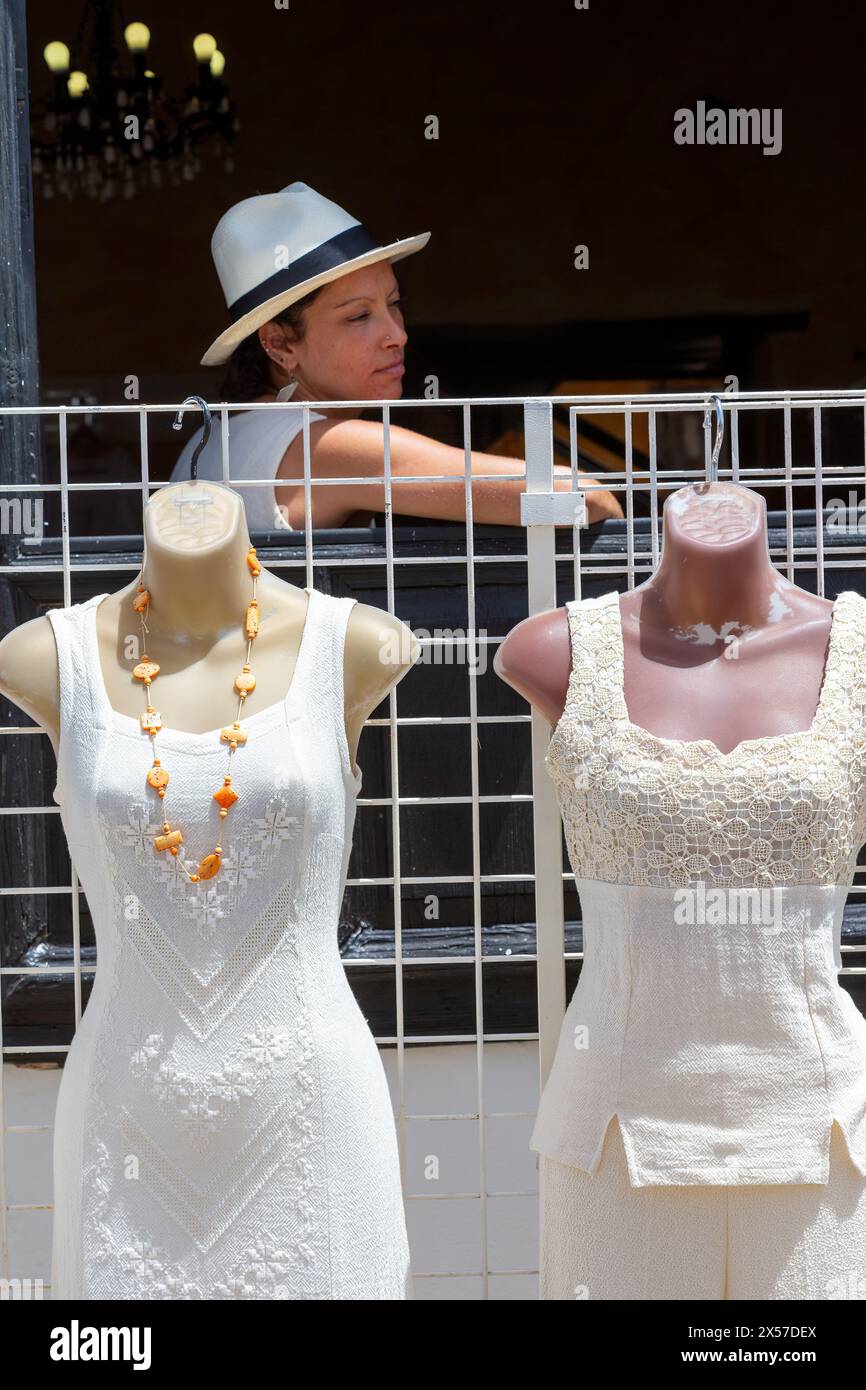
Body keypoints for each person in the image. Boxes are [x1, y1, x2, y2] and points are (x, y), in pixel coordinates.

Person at [171, 181, 623, 530]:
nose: (397, 336)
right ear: (281, 343)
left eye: (394, 304)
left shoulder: (217, 433)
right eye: (358, 317)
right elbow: (580, 495)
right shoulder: (327, 447)